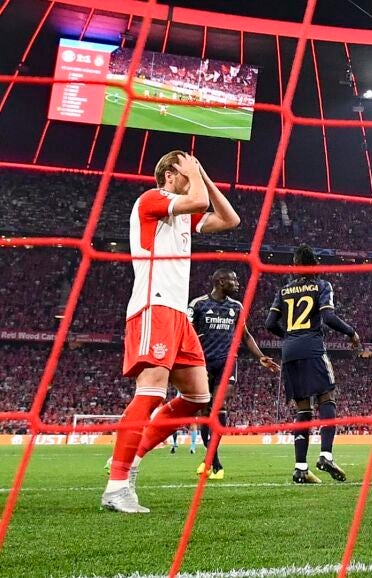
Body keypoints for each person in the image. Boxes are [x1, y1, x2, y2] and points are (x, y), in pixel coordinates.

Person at [102, 151, 240, 513]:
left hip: (178, 313)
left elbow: (230, 219)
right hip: (155, 305)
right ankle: (116, 487)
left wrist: (203, 177)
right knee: (150, 392)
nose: (192, 172)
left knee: (197, 396)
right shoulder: (152, 199)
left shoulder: (182, 215)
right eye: (186, 168)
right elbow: (199, 202)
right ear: (169, 174)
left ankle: (131, 457)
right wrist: (196, 179)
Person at [265, 245, 360, 484]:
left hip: (289, 351)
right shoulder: (321, 285)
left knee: (303, 410)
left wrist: (290, 337)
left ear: (295, 266)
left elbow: (269, 324)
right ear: (315, 265)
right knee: (327, 398)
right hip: (312, 347)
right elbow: (328, 317)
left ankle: (300, 468)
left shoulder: (284, 290)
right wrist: (351, 332)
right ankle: (326, 455)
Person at [188, 269, 280, 479]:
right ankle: (214, 462)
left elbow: (245, 336)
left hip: (227, 362)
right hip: (202, 363)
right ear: (221, 282)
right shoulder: (198, 305)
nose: (238, 284)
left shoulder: (236, 307)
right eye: (234, 280)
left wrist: (260, 357)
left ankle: (210, 462)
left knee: (220, 407)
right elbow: (187, 331)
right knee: (205, 411)